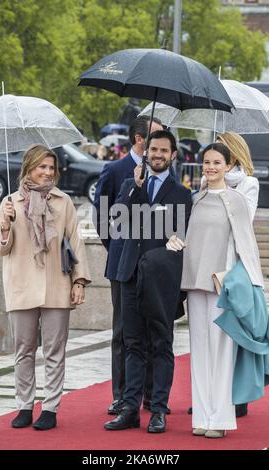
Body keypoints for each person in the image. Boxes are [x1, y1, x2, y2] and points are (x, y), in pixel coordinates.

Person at [0, 144, 91, 430]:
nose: (47, 172)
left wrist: (79, 280)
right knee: (23, 350)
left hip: (57, 283)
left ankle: (50, 408)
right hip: (21, 284)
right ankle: (24, 405)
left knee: (55, 350)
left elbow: (76, 240)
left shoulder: (63, 201)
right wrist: (6, 225)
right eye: (41, 167)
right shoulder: (10, 201)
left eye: (51, 168)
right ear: (29, 168)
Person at [104, 130, 192, 433]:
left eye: (164, 150)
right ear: (146, 151)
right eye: (153, 149)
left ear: (173, 155)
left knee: (161, 345)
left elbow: (179, 236)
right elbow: (117, 224)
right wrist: (136, 190)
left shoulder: (181, 194)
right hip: (129, 275)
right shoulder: (131, 184)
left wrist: (167, 233)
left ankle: (158, 409)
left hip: (161, 280)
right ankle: (129, 408)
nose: (157, 154)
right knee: (133, 344)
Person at [181, 142, 264, 438]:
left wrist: (232, 276)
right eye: (207, 162)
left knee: (221, 351)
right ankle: (202, 416)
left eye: (217, 162)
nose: (211, 167)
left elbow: (245, 245)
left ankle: (221, 419)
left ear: (229, 166)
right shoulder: (197, 198)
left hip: (221, 284)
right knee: (200, 351)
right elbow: (188, 240)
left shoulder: (236, 200)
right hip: (194, 282)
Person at [93, 115, 163, 416]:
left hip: (154, 264)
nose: (162, 145)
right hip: (122, 264)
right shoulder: (115, 170)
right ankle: (121, 395)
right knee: (123, 331)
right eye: (156, 137)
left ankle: (149, 394)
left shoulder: (163, 171)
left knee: (152, 329)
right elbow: (102, 216)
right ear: (139, 140)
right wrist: (117, 249)